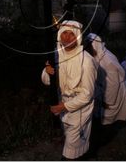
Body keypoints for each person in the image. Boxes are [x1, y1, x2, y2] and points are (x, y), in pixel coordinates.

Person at [41, 20, 97, 160]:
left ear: (78, 37)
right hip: (63, 104)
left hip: (79, 109)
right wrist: (48, 72)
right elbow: (46, 82)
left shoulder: (87, 61)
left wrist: (64, 106)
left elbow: (87, 94)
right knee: (72, 141)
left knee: (71, 148)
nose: (66, 37)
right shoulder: (56, 55)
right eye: (64, 33)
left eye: (71, 34)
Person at [85, 33, 126, 125]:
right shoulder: (97, 56)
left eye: (89, 46)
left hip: (114, 92)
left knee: (107, 119)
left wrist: (107, 101)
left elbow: (113, 84)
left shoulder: (107, 60)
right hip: (104, 89)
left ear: (95, 45)